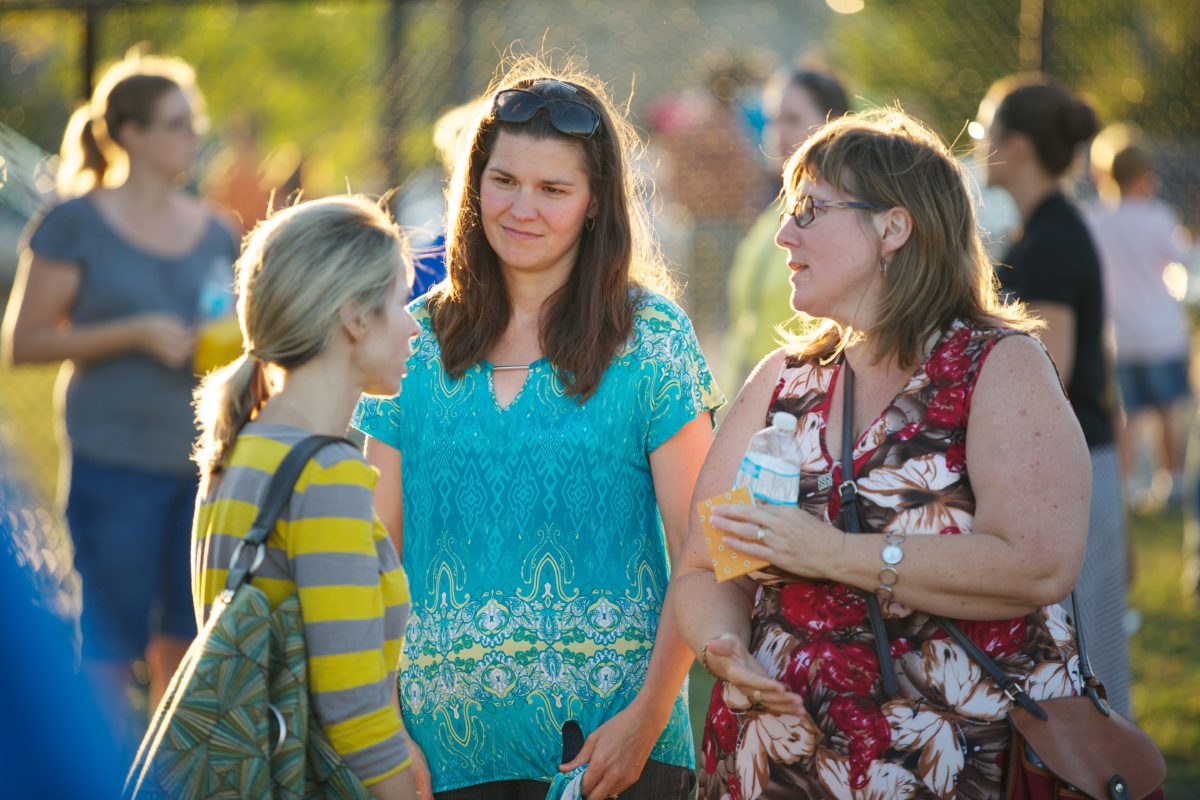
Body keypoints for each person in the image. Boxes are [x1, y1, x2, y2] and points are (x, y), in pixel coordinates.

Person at [669, 109, 1090, 798]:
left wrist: (832, 554)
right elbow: (704, 562)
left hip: (948, 764)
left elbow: (1039, 561)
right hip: (774, 766)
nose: (783, 233)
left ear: (893, 227)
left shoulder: (998, 366)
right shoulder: (782, 379)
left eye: (809, 210)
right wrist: (726, 649)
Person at [353, 57, 723, 800]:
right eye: (504, 181)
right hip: (437, 756)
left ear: (594, 203)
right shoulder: (411, 343)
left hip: (613, 756)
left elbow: (702, 548)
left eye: (554, 189)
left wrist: (649, 719)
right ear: (473, 186)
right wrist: (384, 734)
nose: (523, 208)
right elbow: (372, 555)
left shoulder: (651, 339)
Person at [0, 52, 238, 739]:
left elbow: (229, 328)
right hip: (114, 463)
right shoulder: (74, 223)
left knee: (186, 643)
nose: (192, 136)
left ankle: (167, 774)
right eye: (175, 124)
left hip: (200, 467)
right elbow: (25, 341)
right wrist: (133, 331)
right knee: (109, 644)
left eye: (192, 123)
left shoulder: (218, 229)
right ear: (129, 135)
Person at [190, 195, 420, 799]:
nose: (414, 324)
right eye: (399, 301)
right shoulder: (329, 476)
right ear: (355, 318)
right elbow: (354, 712)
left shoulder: (239, 449)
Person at [977, 75, 1132, 717]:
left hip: (1071, 470)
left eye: (985, 130)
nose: (978, 143)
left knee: (1088, 669)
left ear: (1015, 146)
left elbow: (1052, 374)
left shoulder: (1049, 242)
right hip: (1087, 463)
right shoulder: (1050, 229)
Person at [1085, 124, 1194, 508]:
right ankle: (1173, 481)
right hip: (1163, 333)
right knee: (1169, 412)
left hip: (1121, 336)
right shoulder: (1158, 216)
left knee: (1126, 415)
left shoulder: (1094, 219)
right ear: (1144, 174)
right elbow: (1187, 259)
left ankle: (1128, 485)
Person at [723, 68, 850, 390]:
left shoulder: (846, 218)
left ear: (834, 123)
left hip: (808, 389)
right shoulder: (775, 214)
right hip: (757, 389)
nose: (777, 133)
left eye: (792, 119)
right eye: (772, 120)